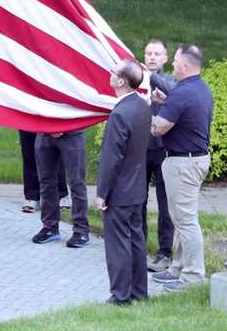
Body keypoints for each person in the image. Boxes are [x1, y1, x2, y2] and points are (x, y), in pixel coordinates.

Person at [149, 43, 213, 291]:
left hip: (183, 163)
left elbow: (159, 127)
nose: (173, 65)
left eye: (175, 61)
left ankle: (194, 276)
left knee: (186, 221)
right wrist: (168, 102)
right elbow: (185, 112)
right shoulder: (199, 88)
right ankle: (177, 268)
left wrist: (148, 115)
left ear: (185, 65)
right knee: (182, 218)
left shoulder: (183, 93)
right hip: (193, 159)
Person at [96, 59, 152, 305]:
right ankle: (140, 291)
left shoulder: (119, 114)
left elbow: (111, 158)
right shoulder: (142, 106)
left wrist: (102, 193)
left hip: (120, 190)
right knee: (136, 240)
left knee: (118, 244)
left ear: (121, 81)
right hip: (137, 187)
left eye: (114, 72)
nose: (110, 74)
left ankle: (120, 295)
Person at [142, 38, 176, 273]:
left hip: (164, 150)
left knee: (166, 206)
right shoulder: (138, 83)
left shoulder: (171, 83)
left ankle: (164, 252)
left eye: (157, 54)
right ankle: (137, 247)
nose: (152, 57)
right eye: (148, 53)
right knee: (137, 200)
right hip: (140, 150)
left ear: (165, 58)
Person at [31, 124, 90, 248]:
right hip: (44, 131)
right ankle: (49, 227)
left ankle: (81, 230)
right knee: (46, 181)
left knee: (76, 182)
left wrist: (62, 127)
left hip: (72, 131)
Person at [19, 130, 68, 213]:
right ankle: (32, 196)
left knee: (55, 147)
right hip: (29, 118)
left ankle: (61, 194)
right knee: (29, 148)